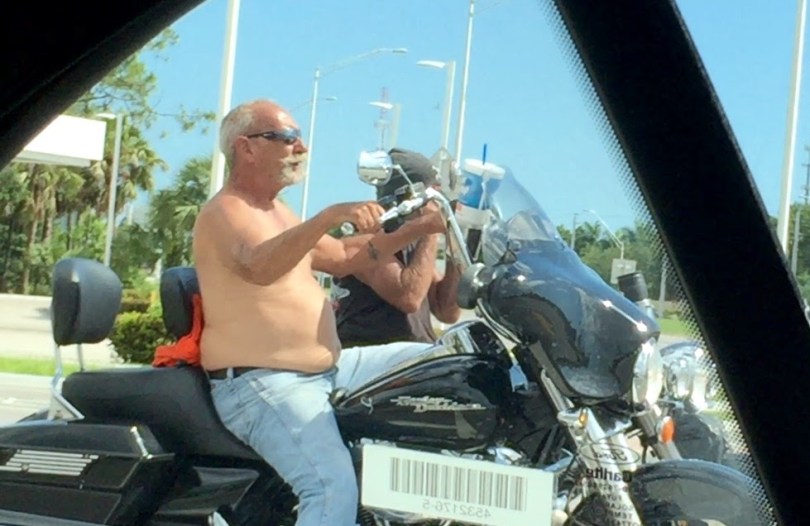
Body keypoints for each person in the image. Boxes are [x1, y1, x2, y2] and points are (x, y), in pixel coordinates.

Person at [191, 98, 446, 526]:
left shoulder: (277, 212)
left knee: (441, 360)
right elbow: (259, 266)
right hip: (264, 383)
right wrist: (328, 216)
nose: (302, 147)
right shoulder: (225, 211)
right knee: (330, 488)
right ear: (246, 147)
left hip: (328, 371)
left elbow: (345, 257)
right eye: (287, 137)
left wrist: (423, 226)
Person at [333, 148, 462, 348]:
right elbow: (409, 298)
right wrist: (430, 228)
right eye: (434, 192)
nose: (437, 199)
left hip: (414, 355)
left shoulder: (413, 243)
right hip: (374, 355)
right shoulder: (365, 240)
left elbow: (446, 312)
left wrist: (458, 245)